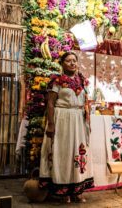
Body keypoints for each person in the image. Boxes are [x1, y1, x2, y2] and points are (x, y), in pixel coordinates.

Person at [39, 51, 94, 203]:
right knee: (63, 153)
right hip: (62, 119)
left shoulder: (82, 81)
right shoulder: (56, 81)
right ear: (62, 64)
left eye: (74, 60)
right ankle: (63, 192)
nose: (72, 63)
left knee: (78, 152)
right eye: (68, 61)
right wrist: (51, 124)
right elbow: (50, 103)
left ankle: (76, 190)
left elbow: (85, 102)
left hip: (78, 121)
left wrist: (87, 121)